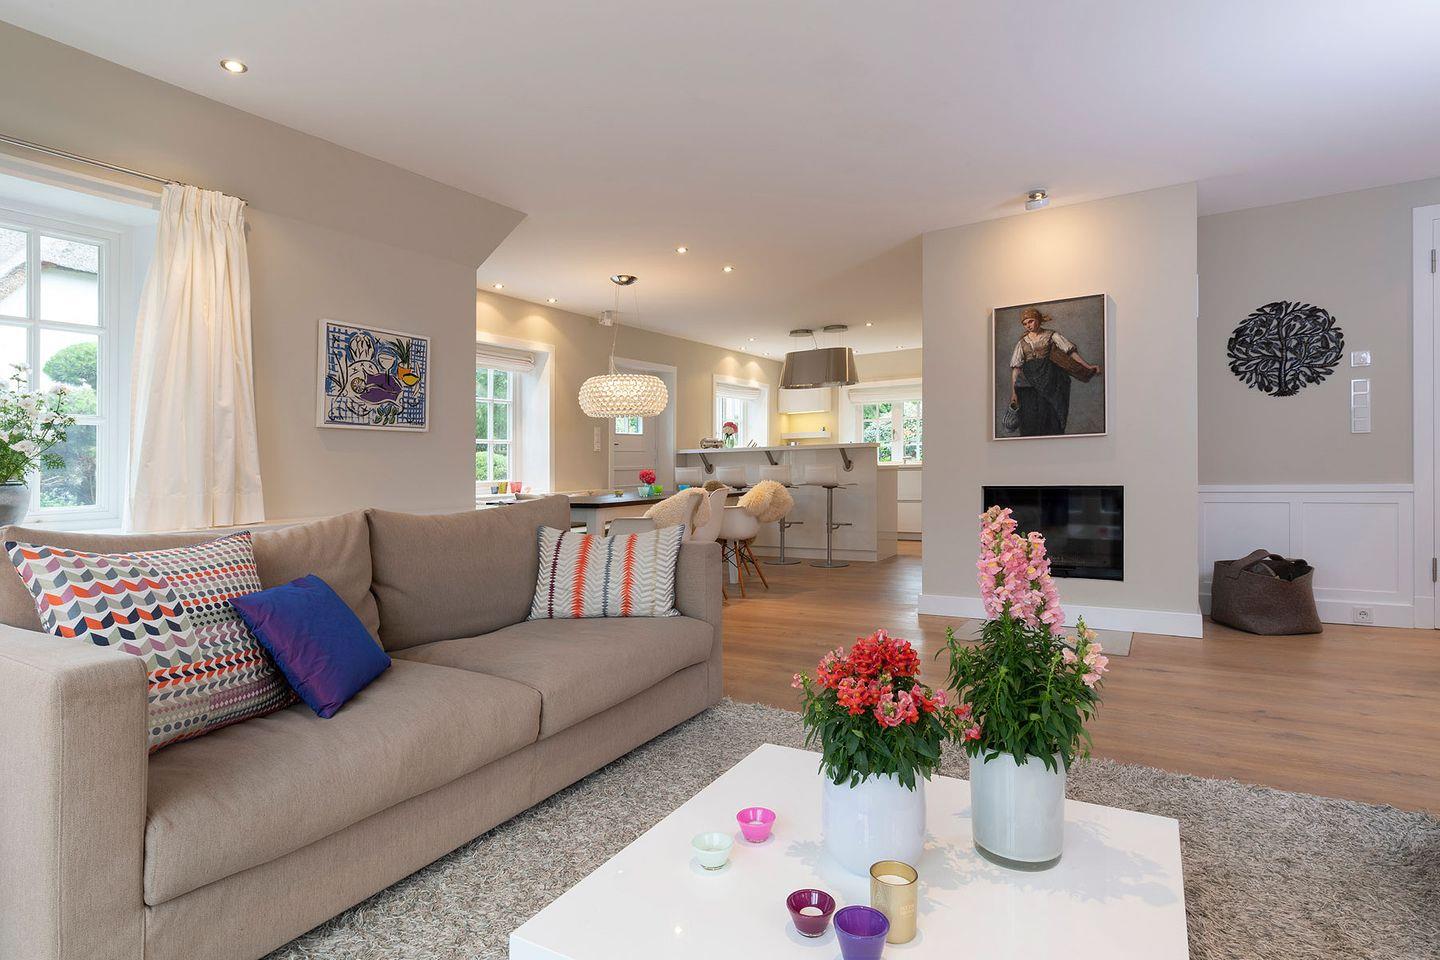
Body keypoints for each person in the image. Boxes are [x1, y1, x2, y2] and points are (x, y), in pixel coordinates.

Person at [1007, 307, 1102, 436]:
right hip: (1028, 385)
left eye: (1030, 321)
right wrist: (1014, 393)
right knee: (1031, 418)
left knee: (1051, 415)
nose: (1028, 325)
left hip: (1051, 381)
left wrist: (1087, 366)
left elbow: (1070, 352)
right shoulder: (1022, 342)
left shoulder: (1052, 335)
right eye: (1025, 323)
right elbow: (1016, 368)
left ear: (1038, 319)